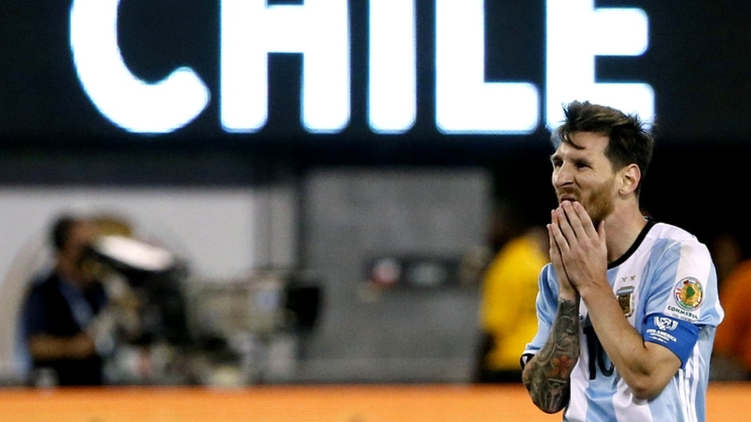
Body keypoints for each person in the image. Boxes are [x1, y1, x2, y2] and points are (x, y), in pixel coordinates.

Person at [520, 101, 723, 421]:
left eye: (581, 165)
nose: (561, 178)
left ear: (628, 179)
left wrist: (591, 283)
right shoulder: (556, 274)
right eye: (558, 163)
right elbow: (547, 397)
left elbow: (647, 378)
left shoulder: (678, 255)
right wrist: (568, 298)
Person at [19, 214, 110, 386]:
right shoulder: (44, 291)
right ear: (64, 248)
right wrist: (73, 347)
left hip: (94, 385)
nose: (87, 255)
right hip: (58, 386)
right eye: (81, 247)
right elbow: (36, 345)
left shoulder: (97, 290)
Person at [475, 200, 548, 383]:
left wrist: (477, 369)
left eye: (495, 224)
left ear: (509, 225)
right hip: (542, 356)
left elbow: (495, 324)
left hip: (510, 361)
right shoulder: (537, 259)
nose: (490, 231)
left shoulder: (506, 265)